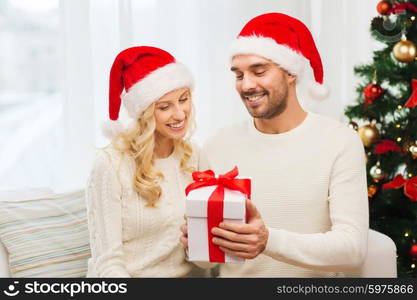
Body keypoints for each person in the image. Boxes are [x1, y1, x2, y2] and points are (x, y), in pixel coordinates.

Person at [181, 12, 369, 277]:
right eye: (238, 75)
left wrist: (268, 240)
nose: (246, 85)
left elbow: (352, 250)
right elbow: (207, 264)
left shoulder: (339, 142)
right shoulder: (217, 146)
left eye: (259, 71)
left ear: (291, 73)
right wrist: (197, 244)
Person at [86, 46, 203, 277]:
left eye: (183, 99)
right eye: (164, 106)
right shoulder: (111, 164)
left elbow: (204, 257)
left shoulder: (193, 155)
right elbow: (108, 263)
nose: (180, 114)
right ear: (145, 112)